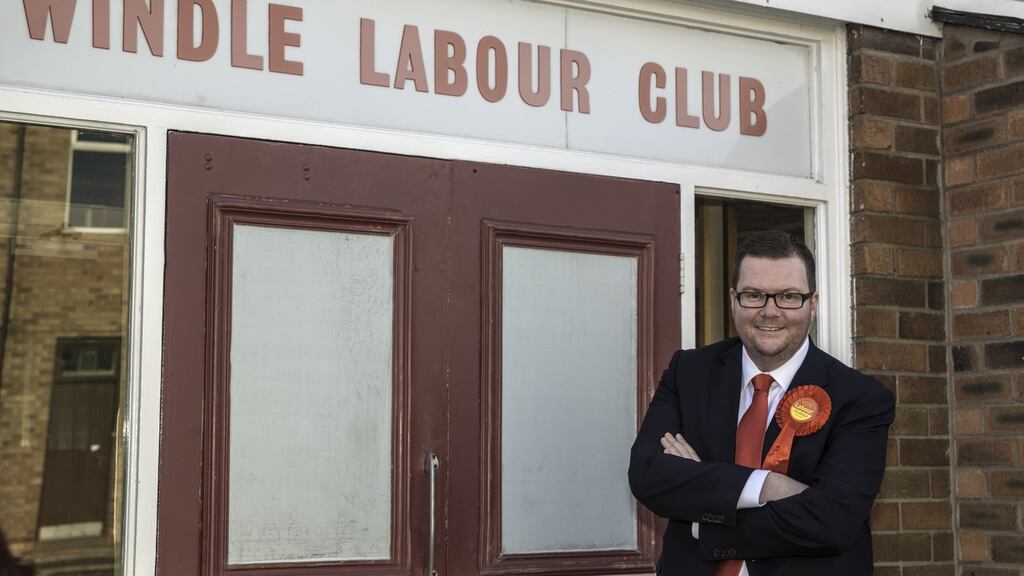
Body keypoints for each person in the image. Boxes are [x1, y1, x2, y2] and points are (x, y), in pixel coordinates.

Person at [629, 230, 894, 575]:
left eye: (788, 296)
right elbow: (648, 476)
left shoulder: (860, 398)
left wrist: (703, 512)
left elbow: (834, 519)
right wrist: (767, 485)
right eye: (753, 295)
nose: (770, 312)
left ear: (812, 304)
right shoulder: (689, 372)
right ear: (733, 300)